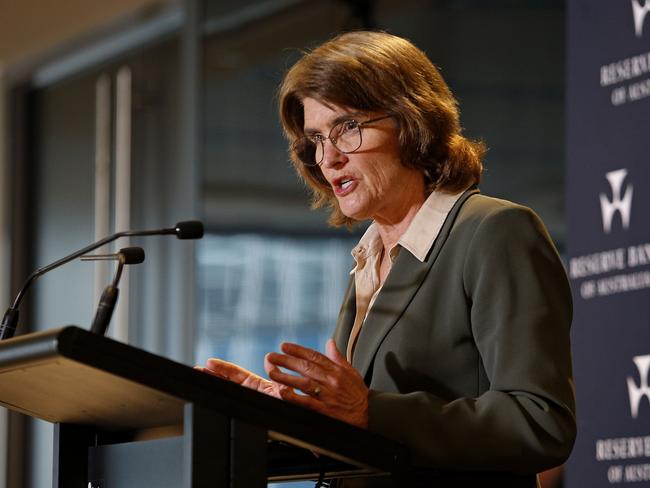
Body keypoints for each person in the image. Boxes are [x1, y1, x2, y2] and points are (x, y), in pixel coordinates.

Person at [198, 31, 576, 487]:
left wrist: (369, 411)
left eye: (347, 128)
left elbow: (539, 423)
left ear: (412, 121)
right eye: (316, 139)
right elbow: (366, 439)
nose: (328, 158)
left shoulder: (492, 231)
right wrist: (288, 413)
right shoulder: (369, 257)